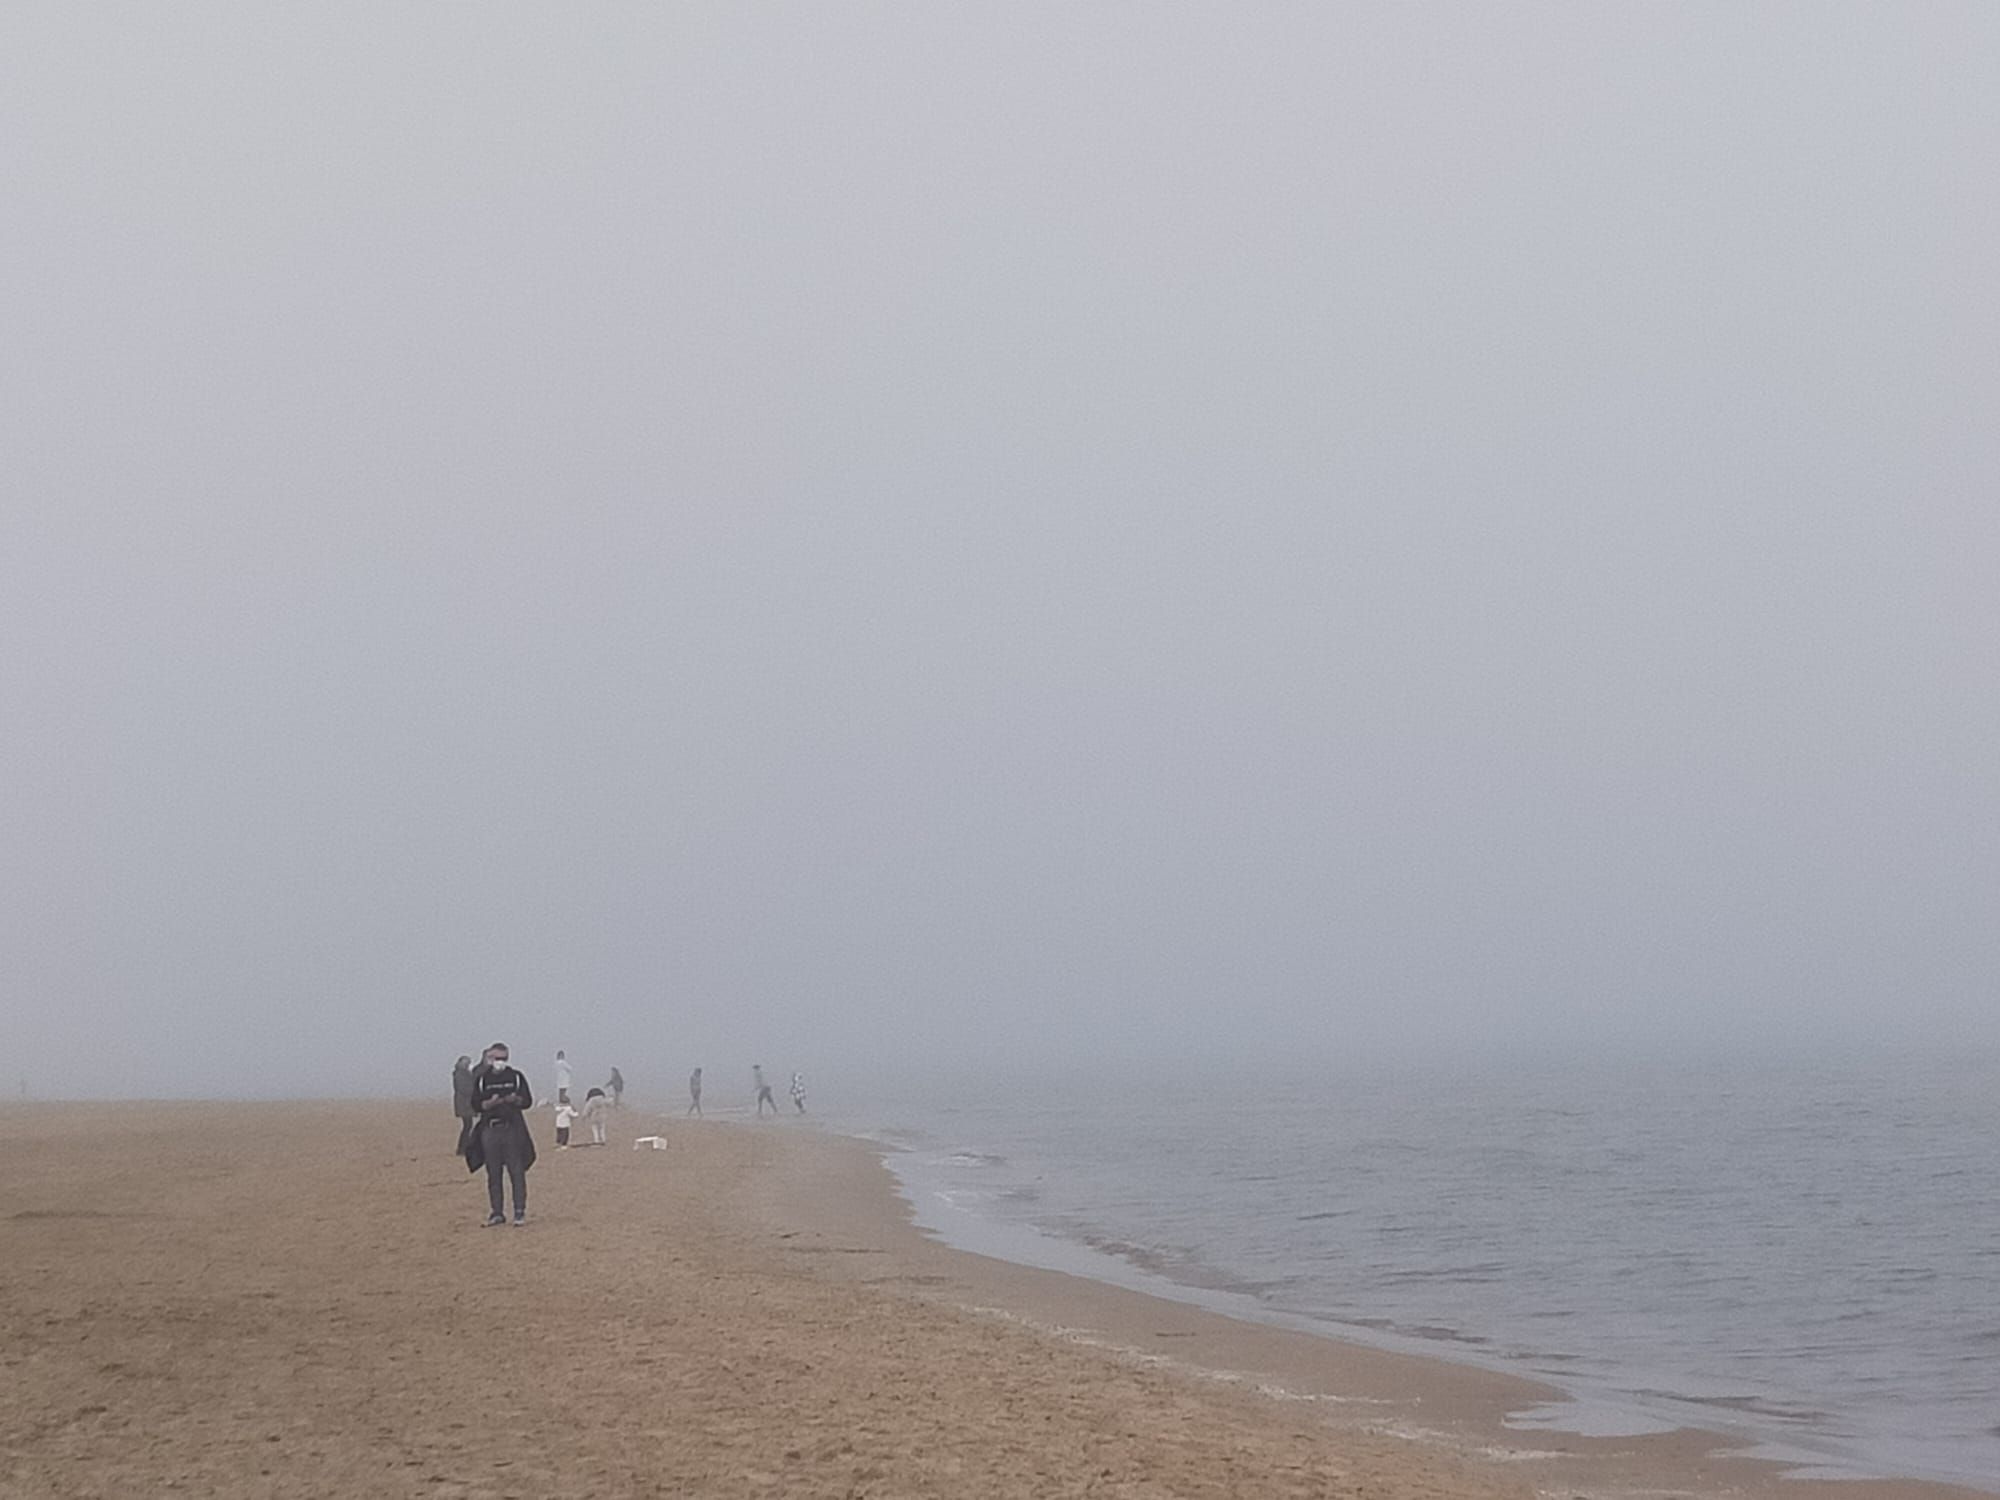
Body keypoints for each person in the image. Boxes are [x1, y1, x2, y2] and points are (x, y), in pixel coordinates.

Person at [466, 1042, 535, 1226]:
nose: (500, 1062)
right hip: (490, 1130)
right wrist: (490, 1103)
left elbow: (528, 1101)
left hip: (512, 1129)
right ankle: (497, 1212)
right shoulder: (482, 1079)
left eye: (503, 1058)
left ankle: (519, 1212)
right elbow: (475, 1104)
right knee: (493, 1173)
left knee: (516, 1171)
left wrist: (515, 1100)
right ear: (489, 1058)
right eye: (496, 1058)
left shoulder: (516, 1077)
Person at [452, 1055, 477, 1157]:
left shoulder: (464, 1073)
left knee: (468, 1126)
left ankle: (464, 1148)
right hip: (464, 1104)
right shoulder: (460, 1074)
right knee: (467, 1126)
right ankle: (462, 1148)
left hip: (466, 1103)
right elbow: (464, 1089)